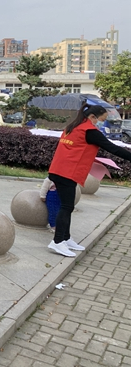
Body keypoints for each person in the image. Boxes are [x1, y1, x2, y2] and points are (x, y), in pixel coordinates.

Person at [48, 102, 131, 257]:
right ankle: (57, 242)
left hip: (59, 170)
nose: (100, 123)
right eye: (101, 119)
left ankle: (66, 238)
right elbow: (113, 148)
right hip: (66, 172)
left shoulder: (73, 126)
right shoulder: (89, 131)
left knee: (67, 206)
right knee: (66, 207)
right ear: (92, 117)